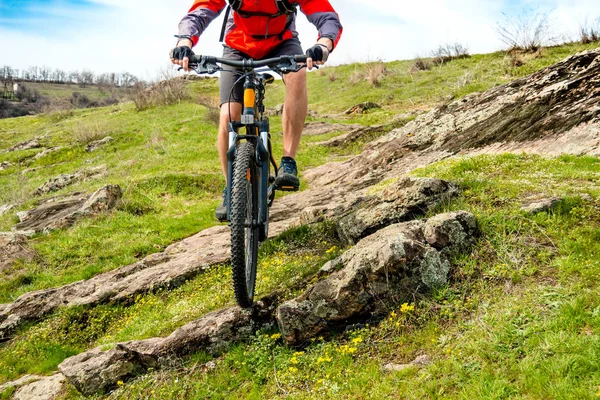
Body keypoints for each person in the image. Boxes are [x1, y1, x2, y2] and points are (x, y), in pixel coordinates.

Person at [170, 0, 342, 221]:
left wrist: (324, 44)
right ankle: (231, 189)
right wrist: (185, 41)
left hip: (282, 43)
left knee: (298, 76)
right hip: (237, 46)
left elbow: (326, 16)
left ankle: (288, 161)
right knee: (228, 116)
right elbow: (201, 11)